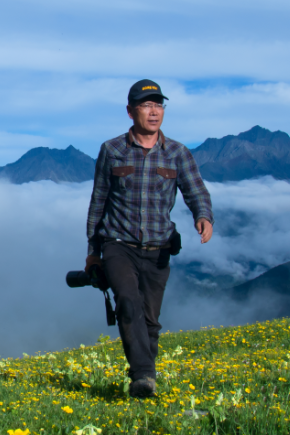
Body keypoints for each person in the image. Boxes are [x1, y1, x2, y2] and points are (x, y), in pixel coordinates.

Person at [84, 79, 214, 398]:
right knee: (128, 302)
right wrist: (93, 251)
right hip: (118, 245)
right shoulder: (111, 150)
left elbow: (195, 190)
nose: (154, 111)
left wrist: (203, 215)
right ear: (131, 112)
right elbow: (98, 200)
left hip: (159, 249)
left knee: (150, 320)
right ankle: (142, 375)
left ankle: (146, 381)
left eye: (158, 105)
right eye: (146, 105)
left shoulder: (178, 153)